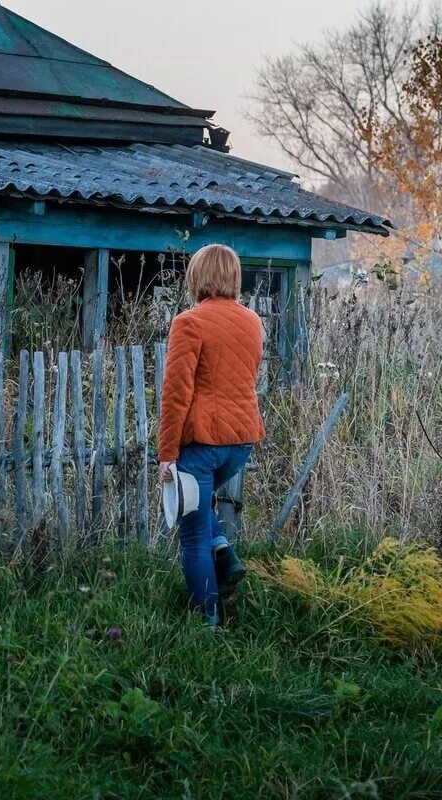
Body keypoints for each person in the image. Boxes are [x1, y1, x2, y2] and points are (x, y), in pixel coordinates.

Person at [158, 244, 265, 628]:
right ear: (234, 277)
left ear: (197, 277)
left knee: (191, 535)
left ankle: (208, 625)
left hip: (202, 443)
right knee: (200, 510)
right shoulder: (253, 321)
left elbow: (176, 392)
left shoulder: (190, 322)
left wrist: (167, 453)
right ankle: (223, 550)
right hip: (241, 443)